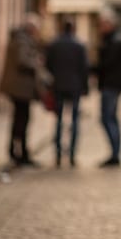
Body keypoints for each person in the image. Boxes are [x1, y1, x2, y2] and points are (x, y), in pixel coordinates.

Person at [0, 13, 47, 167]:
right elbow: (23, 60)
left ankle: (19, 151)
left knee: (21, 120)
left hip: (21, 88)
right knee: (21, 120)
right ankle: (19, 153)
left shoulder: (21, 39)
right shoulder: (22, 40)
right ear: (31, 28)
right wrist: (37, 62)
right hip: (20, 88)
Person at [45, 19, 89, 168]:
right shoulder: (79, 46)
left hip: (58, 86)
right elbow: (84, 69)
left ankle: (57, 154)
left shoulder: (54, 45)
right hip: (75, 87)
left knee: (59, 120)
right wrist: (85, 88)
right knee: (74, 121)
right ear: (73, 29)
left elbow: (48, 66)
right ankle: (71, 154)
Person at [93, 13, 121, 168]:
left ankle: (115, 154)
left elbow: (106, 65)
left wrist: (89, 68)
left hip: (111, 85)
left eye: (103, 25)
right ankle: (115, 153)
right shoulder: (114, 40)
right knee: (110, 118)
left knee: (108, 118)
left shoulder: (115, 42)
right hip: (112, 85)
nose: (101, 28)